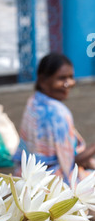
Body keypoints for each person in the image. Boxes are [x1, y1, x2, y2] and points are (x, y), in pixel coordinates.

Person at [13, 52, 95, 184]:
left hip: (27, 174)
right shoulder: (59, 113)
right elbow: (70, 162)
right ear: (43, 81)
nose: (68, 83)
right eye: (62, 78)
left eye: (70, 77)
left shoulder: (33, 102)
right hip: (51, 180)